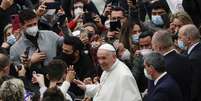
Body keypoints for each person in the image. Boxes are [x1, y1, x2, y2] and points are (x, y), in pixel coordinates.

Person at [74, 43, 142, 101]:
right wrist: (86, 87)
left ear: (114, 57)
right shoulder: (108, 68)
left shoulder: (124, 75)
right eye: (98, 58)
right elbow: (103, 90)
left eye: (104, 58)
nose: (100, 62)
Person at [151, 30, 192, 101]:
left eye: (153, 47)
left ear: (159, 48)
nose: (152, 49)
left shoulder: (162, 66)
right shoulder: (185, 58)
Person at [178, 24, 201, 101]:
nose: (178, 40)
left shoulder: (194, 58)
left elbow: (195, 84)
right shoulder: (193, 50)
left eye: (180, 37)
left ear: (188, 39)